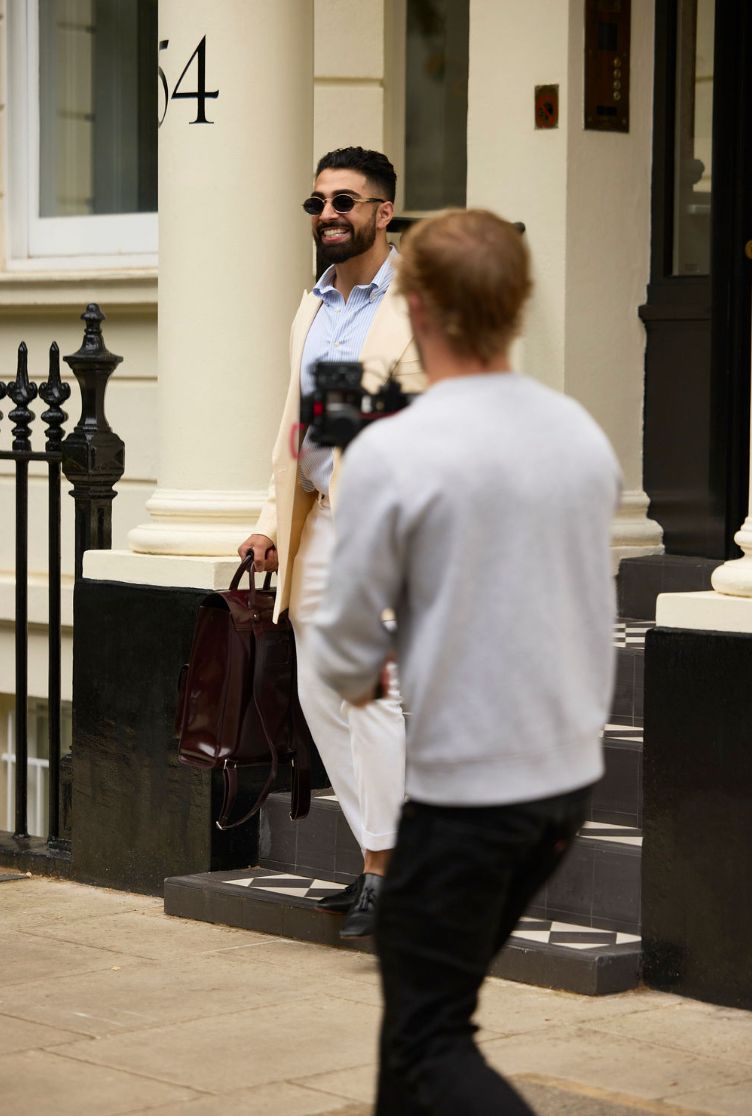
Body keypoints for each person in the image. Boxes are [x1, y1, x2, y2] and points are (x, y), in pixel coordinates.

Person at [310, 209, 621, 1114]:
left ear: (412, 306)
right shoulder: (580, 436)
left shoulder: (395, 451)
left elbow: (341, 649)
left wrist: (370, 665)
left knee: (427, 1035)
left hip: (472, 796)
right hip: (564, 785)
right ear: (520, 306)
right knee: (417, 1023)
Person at [238, 147, 424, 939]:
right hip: (318, 522)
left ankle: (390, 872)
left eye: (345, 202)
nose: (328, 216)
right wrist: (269, 521)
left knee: (372, 695)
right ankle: (382, 857)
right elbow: (299, 422)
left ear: (384, 212)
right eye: (317, 204)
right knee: (321, 696)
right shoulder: (312, 307)